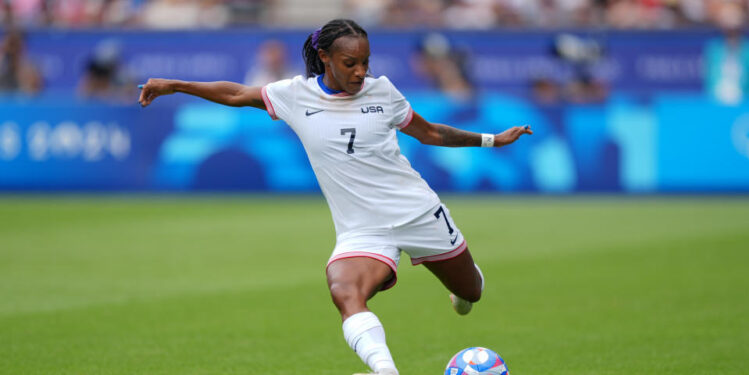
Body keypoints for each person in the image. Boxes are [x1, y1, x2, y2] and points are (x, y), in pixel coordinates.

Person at [138, 18, 532, 375]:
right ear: (325, 58)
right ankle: (385, 370)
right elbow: (238, 92)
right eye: (350, 63)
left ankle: (460, 292)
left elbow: (430, 133)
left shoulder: (383, 92)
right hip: (362, 229)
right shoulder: (295, 95)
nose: (360, 71)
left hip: (418, 213)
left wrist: (492, 139)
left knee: (471, 292)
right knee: (345, 291)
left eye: (365, 61)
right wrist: (176, 85)